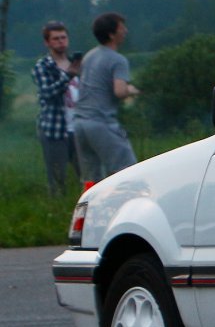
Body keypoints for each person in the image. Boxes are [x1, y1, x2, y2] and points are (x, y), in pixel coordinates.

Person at [73, 12, 140, 181]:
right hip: (101, 123)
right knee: (127, 172)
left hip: (80, 124)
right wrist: (130, 89)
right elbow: (119, 91)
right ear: (111, 34)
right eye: (121, 28)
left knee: (91, 179)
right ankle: (126, 205)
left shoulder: (89, 56)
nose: (125, 31)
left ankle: (89, 206)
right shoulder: (118, 60)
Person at [31, 21, 82, 195]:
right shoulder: (43, 66)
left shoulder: (75, 64)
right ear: (47, 42)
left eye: (63, 37)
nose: (61, 41)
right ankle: (58, 207)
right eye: (56, 39)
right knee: (58, 178)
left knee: (85, 174)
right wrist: (68, 76)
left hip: (79, 128)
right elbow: (47, 93)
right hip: (54, 128)